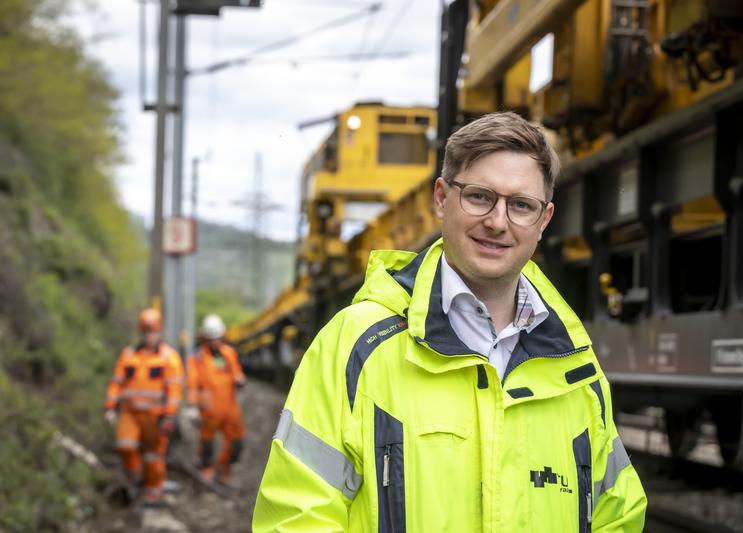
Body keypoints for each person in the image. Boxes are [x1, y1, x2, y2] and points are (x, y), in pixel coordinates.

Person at [252, 112, 647, 531]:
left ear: (544, 220)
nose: (498, 222)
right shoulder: (355, 344)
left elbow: (616, 516)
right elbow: (296, 518)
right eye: (479, 196)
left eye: (520, 205)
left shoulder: (577, 366)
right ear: (442, 198)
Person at [105, 308, 184, 506]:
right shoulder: (128, 355)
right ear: (141, 331)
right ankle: (136, 479)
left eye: (153, 331)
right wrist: (110, 405)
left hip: (155, 416)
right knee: (124, 446)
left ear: (159, 331)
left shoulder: (168, 357)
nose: (149, 336)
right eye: (146, 331)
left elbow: (174, 389)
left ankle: (154, 491)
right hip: (130, 412)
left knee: (153, 455)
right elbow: (117, 382)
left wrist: (169, 416)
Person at [186, 314, 246, 485]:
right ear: (205, 338)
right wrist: (191, 405)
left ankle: (224, 470)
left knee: (237, 442)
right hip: (208, 410)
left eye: (217, 338)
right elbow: (192, 383)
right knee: (207, 443)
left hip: (230, 409)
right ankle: (207, 469)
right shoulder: (197, 359)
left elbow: (236, 373)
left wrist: (240, 379)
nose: (215, 342)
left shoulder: (229, 354)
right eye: (211, 339)